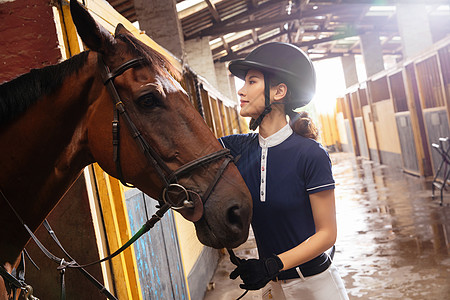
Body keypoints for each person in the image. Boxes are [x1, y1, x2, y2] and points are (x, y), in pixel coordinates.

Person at [219, 42, 349, 299]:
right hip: (273, 288)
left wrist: (271, 264)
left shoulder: (311, 154)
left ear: (279, 92)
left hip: (315, 286)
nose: (241, 90)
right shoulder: (237, 148)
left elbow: (327, 234)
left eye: (252, 81)